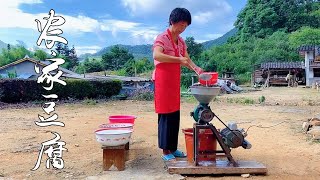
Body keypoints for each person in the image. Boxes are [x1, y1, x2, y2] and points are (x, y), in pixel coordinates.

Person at [152, 7, 203, 161]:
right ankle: (165, 151)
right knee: (165, 115)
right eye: (181, 25)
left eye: (186, 26)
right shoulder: (162, 38)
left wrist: (197, 70)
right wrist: (178, 59)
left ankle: (173, 148)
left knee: (174, 113)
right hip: (162, 80)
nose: (183, 29)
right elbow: (157, 55)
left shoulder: (181, 41)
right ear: (172, 21)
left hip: (174, 81)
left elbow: (186, 59)